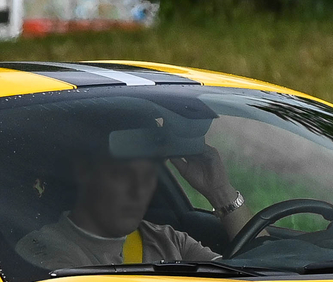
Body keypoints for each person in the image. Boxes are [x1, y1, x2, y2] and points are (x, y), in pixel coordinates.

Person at [15, 104, 253, 269]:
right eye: (123, 175)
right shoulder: (46, 250)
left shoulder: (168, 240)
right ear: (85, 172)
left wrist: (220, 191)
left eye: (148, 175)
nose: (138, 190)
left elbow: (256, 273)